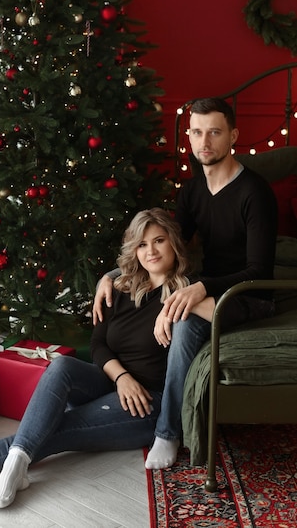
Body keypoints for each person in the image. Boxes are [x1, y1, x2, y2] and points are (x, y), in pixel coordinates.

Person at [0, 208, 211, 511]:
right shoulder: (120, 287)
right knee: (61, 366)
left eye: (159, 241)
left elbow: (221, 311)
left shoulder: (187, 297)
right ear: (134, 251)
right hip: (113, 382)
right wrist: (120, 377)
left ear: (174, 244)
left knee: (60, 429)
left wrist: (134, 377)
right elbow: (98, 344)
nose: (151, 251)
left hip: (145, 404)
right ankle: (14, 461)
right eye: (142, 244)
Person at [93, 97, 278, 470]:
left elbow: (258, 271)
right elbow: (167, 249)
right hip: (207, 288)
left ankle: (168, 431)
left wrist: (199, 289)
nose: (204, 141)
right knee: (178, 303)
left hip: (249, 294)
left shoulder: (254, 193)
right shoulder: (192, 192)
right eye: (196, 132)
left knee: (184, 315)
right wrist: (111, 276)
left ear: (233, 136)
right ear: (189, 138)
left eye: (214, 132)